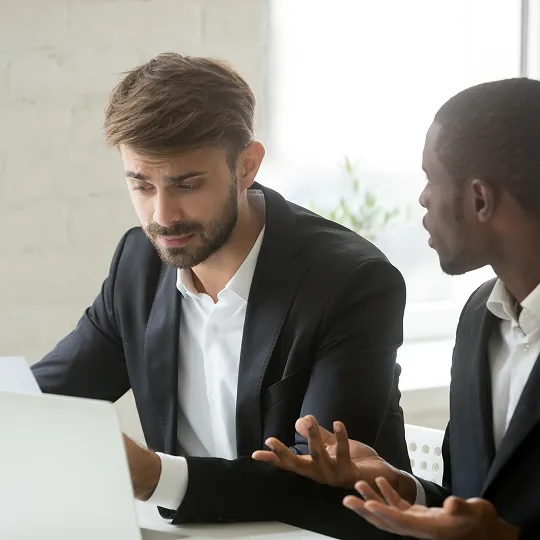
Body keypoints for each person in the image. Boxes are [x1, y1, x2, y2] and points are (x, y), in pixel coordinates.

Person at [31, 53, 410, 539]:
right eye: (141, 185)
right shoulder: (139, 263)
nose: (162, 215)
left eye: (187, 184)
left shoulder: (353, 282)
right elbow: (46, 399)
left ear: (247, 165)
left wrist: (154, 476)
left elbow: (319, 481)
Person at [253, 77, 540, 540]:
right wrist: (397, 485)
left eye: (431, 179)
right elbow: (469, 505)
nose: (423, 199)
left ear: (480, 200)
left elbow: (495, 528)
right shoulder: (479, 317)